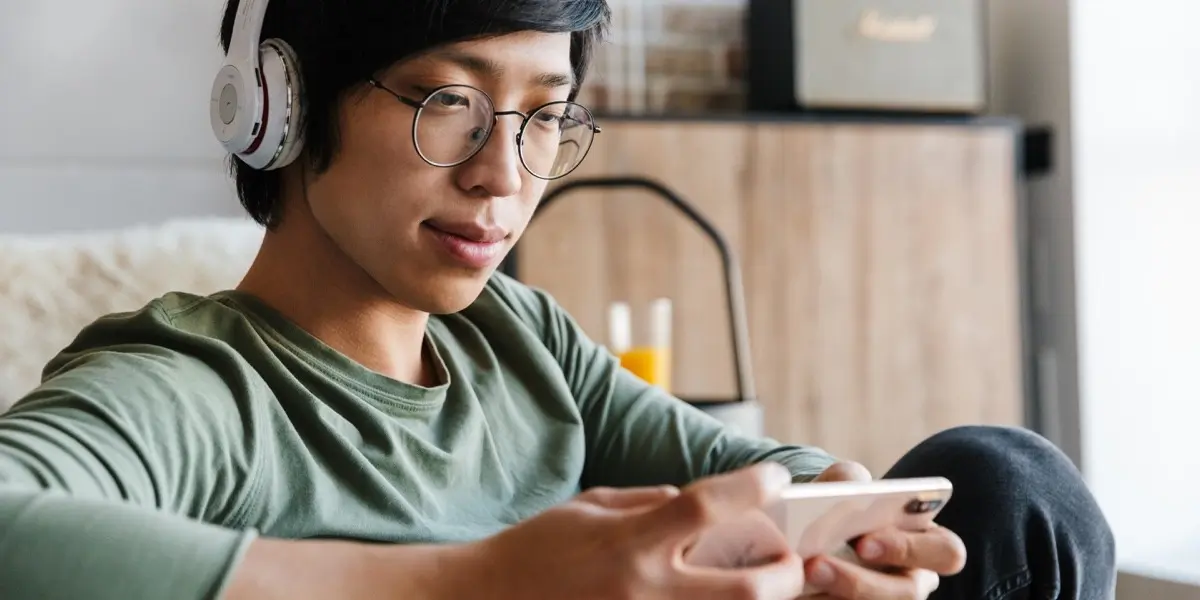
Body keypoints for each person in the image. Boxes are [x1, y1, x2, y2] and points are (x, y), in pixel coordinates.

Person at [0, 0, 1117, 598]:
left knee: (1006, 485)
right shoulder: (199, 393)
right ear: (279, 108)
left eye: (545, 115)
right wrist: (475, 585)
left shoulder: (514, 336)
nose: (503, 175)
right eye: (449, 102)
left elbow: (741, 468)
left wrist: (844, 520)